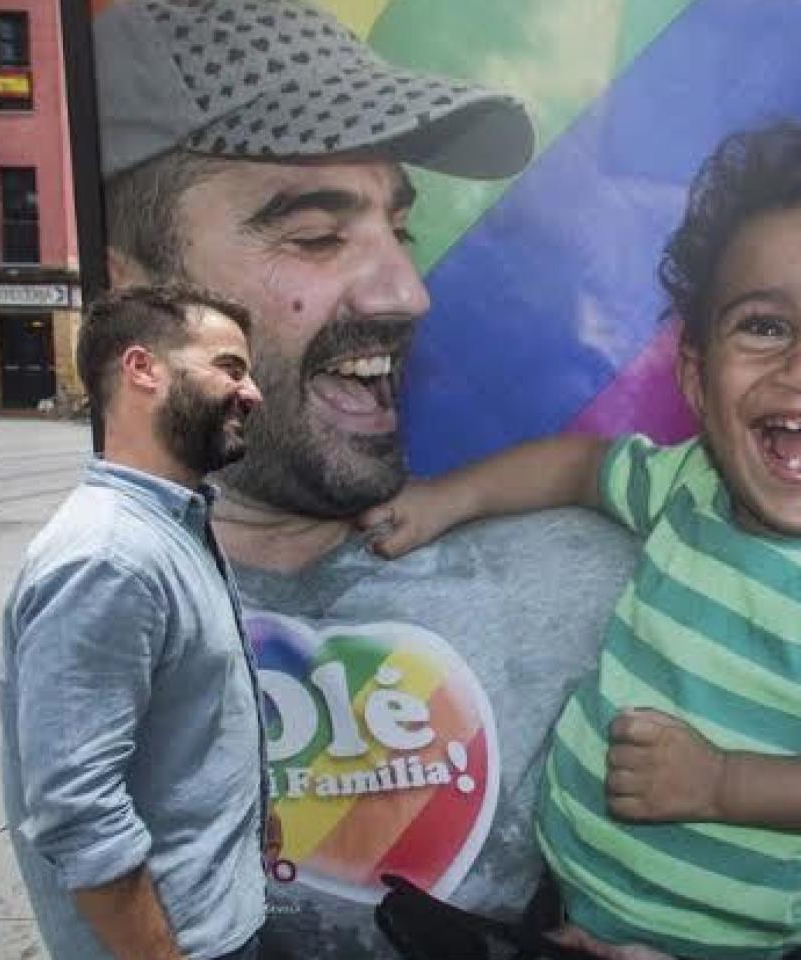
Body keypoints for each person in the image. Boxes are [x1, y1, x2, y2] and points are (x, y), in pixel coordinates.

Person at [363, 117, 801, 959]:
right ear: (697, 378)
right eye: (766, 325)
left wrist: (722, 783)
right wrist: (445, 499)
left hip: (709, 942)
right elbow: (578, 467)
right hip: (564, 884)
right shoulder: (689, 482)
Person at [93, 1, 640, 956]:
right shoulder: (93, 616)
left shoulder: (596, 586)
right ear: (128, 301)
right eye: (313, 235)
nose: (405, 292)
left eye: (399, 228)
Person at [0, 284, 269, 960]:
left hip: (213, 917)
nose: (253, 392)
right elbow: (77, 813)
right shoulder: (107, 559)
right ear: (143, 369)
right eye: (231, 368)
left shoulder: (172, 522)